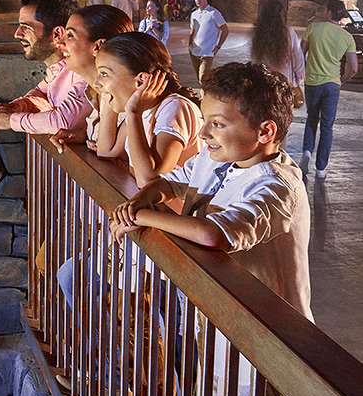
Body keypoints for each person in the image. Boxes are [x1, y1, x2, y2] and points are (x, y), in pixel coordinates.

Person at [112, 62, 310, 321]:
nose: (203, 133)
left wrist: (137, 217)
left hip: (264, 326)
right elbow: (167, 183)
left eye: (217, 124)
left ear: (265, 131)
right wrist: (138, 202)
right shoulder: (215, 158)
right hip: (217, 311)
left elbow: (214, 234)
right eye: (205, 121)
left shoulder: (276, 187)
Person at [91, 32, 202, 187]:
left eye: (104, 73)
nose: (95, 83)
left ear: (141, 80)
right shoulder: (143, 109)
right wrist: (106, 94)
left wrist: (133, 114)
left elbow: (148, 180)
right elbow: (106, 151)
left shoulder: (174, 108)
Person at [0, 0, 87, 136]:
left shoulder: (83, 71)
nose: (17, 34)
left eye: (26, 27)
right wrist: (17, 107)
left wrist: (10, 121)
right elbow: (41, 93)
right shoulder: (57, 70)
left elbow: (63, 122)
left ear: (57, 34)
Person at [52, 4, 135, 149]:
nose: (59, 42)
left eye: (70, 35)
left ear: (98, 46)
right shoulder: (91, 91)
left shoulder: (126, 101)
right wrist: (85, 135)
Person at [301, 0, 360, 178]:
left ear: (328, 12)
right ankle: (321, 169)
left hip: (312, 82)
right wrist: (342, 79)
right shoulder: (347, 37)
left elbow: (300, 53)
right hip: (332, 84)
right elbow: (354, 68)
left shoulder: (313, 28)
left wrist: (304, 69)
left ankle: (306, 152)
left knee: (312, 118)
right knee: (327, 126)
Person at [250, 0, 305, 93]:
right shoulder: (288, 32)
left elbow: (254, 58)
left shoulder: (257, 33)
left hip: (263, 81)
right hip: (283, 82)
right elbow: (297, 56)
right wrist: (299, 77)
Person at [188, 0, 228, 85]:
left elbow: (225, 30)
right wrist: (189, 45)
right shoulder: (194, 14)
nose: (198, 0)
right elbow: (192, 30)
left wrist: (218, 46)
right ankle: (207, 93)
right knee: (200, 80)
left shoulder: (214, 13)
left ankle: (212, 91)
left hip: (207, 52)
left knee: (203, 78)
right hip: (194, 51)